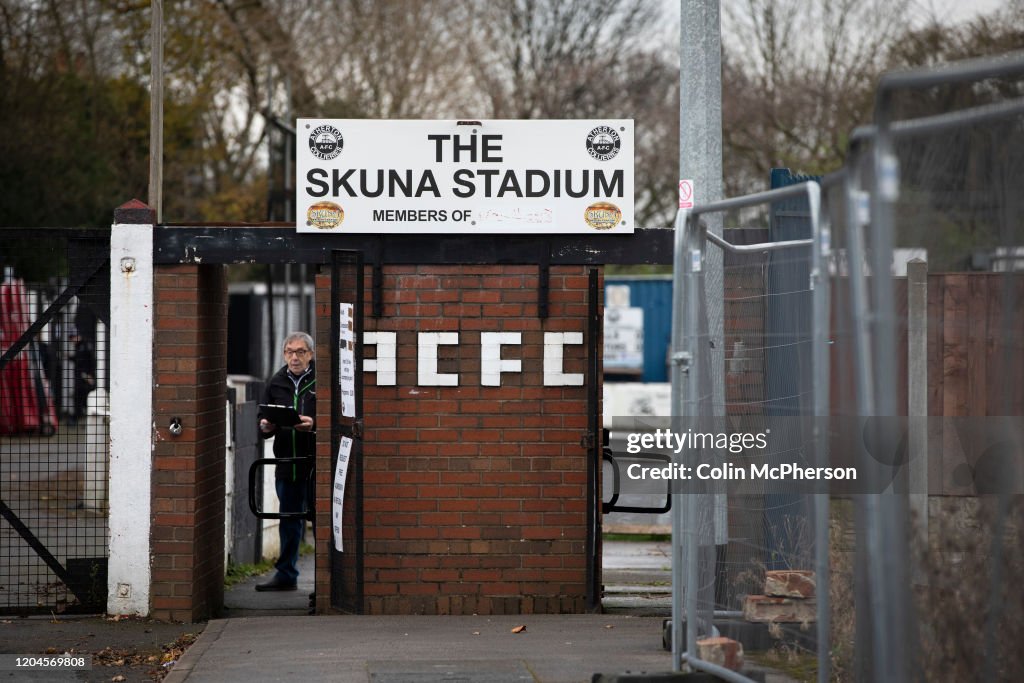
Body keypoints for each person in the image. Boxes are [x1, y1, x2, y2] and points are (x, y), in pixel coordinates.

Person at [255, 331, 317, 592]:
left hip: (314, 463)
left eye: (300, 352)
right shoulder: (276, 382)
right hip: (286, 462)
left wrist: (314, 425)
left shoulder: (321, 381)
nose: (294, 357)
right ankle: (286, 574)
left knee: (319, 518)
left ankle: (325, 581)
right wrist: (266, 426)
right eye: (290, 352)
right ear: (284, 354)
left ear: (310, 355)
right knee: (289, 519)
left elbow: (337, 418)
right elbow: (263, 420)